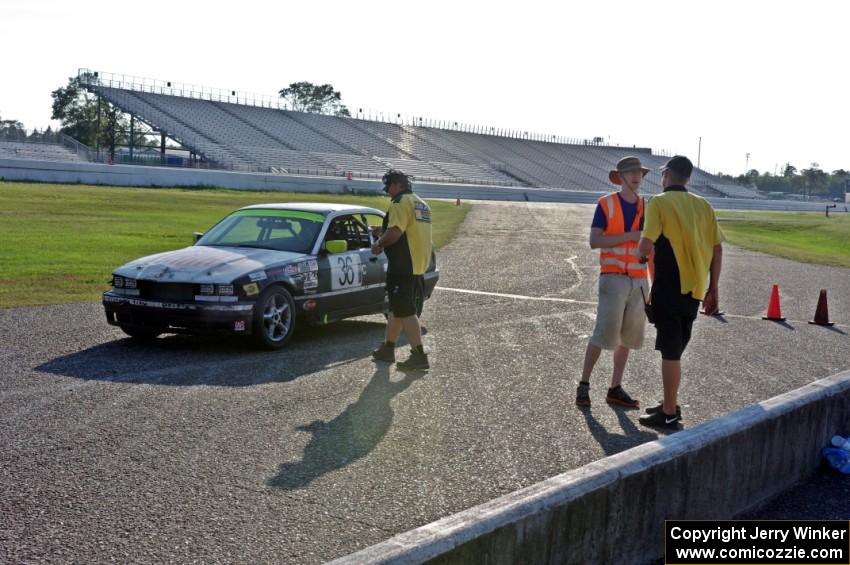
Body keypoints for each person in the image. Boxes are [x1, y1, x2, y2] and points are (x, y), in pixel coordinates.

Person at [637, 155, 724, 429]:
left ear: (666, 176)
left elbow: (646, 243)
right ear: (687, 178)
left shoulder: (660, 202)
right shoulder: (703, 205)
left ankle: (670, 412)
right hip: (696, 288)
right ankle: (668, 402)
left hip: (669, 286)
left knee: (670, 352)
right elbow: (717, 247)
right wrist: (714, 287)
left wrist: (641, 255)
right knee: (676, 347)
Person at [576, 156, 650, 409]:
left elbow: (651, 246)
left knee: (628, 337)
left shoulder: (646, 206)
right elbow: (595, 241)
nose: (636, 176)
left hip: (639, 279)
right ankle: (584, 384)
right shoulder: (606, 204)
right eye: (630, 172)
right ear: (619, 177)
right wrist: (632, 236)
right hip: (613, 277)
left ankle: (615, 387)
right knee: (603, 333)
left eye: (639, 172)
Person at [370, 169, 433, 370]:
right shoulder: (420, 203)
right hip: (417, 263)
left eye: (388, 186)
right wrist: (384, 231)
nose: (387, 191)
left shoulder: (399, 202)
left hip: (402, 265)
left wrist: (379, 242)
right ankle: (388, 348)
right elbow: (408, 230)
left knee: (405, 310)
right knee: (396, 308)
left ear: (397, 185)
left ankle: (418, 355)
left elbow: (396, 233)